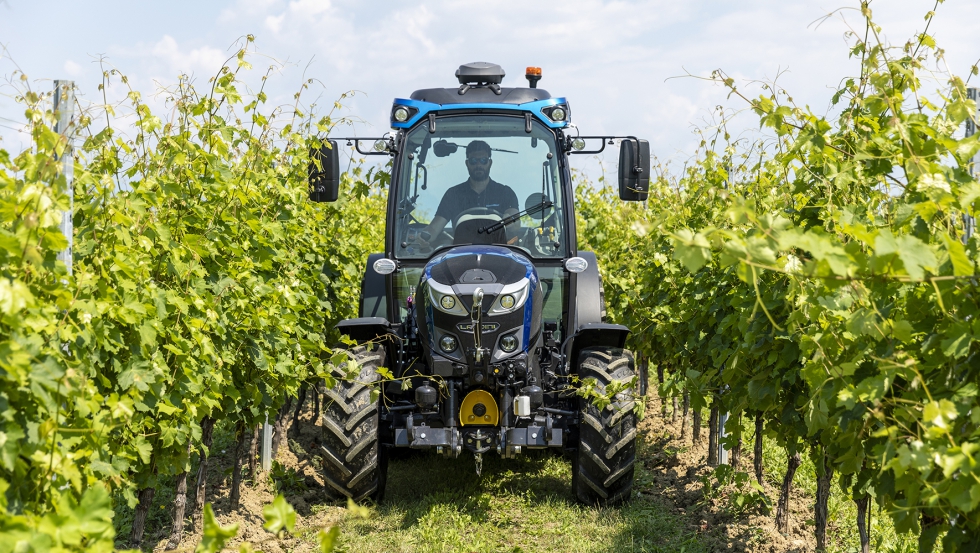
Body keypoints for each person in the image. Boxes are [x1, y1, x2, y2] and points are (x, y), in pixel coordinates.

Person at [418, 140, 519, 245]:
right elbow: (434, 228)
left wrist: (509, 220)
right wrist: (425, 236)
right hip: (460, 255)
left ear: (490, 162)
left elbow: (515, 222)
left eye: (483, 160)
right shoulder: (453, 194)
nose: (478, 165)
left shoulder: (505, 192)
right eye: (473, 161)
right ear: (467, 163)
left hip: (501, 255)